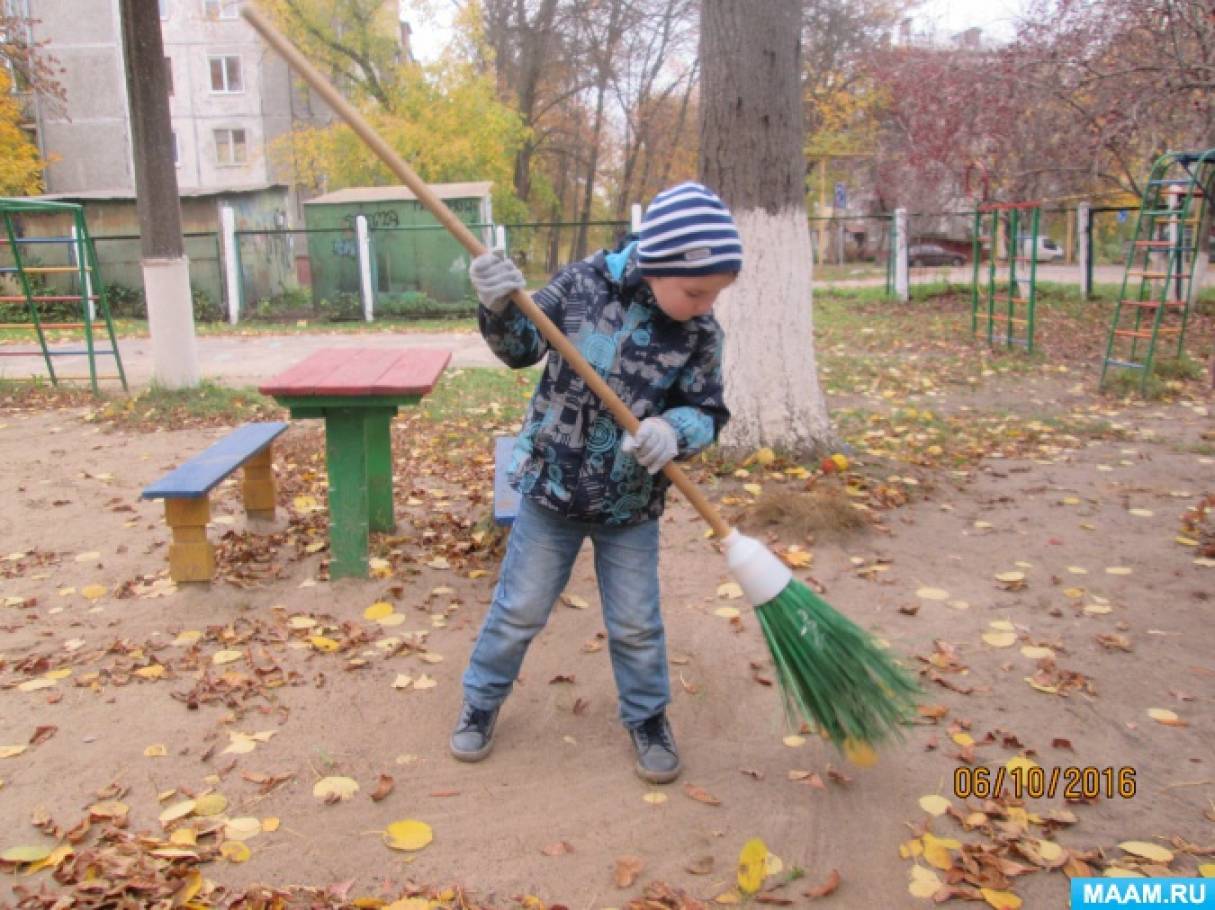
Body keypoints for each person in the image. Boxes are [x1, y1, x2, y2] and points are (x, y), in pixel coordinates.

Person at [451, 182, 742, 783]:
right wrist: (500, 305)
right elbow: (522, 348)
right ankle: (481, 700)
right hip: (551, 493)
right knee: (519, 610)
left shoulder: (700, 334)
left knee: (636, 623)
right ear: (658, 265)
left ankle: (647, 716)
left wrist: (673, 429)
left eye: (715, 294)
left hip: (629, 506)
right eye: (696, 291)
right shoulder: (584, 284)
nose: (705, 304)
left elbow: (708, 411)